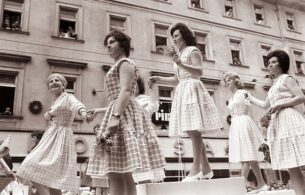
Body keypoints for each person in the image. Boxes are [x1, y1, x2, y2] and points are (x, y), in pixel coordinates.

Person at [86, 30, 166, 195]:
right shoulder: (120, 64)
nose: (108, 46)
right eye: (107, 43)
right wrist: (101, 111)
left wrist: (115, 118)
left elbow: (125, 91)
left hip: (122, 113)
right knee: (122, 170)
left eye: (112, 42)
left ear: (123, 45)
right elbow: (120, 96)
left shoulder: (124, 63)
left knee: (114, 170)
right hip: (120, 109)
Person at [149, 23, 223, 182]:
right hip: (183, 89)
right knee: (191, 131)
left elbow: (199, 71)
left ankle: (196, 169)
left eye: (176, 35)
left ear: (184, 35)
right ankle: (206, 168)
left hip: (192, 88)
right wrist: (159, 78)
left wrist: (181, 63)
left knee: (193, 129)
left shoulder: (192, 50)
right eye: (172, 37)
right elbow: (177, 78)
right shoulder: (179, 55)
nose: (174, 39)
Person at [16, 73, 89, 195]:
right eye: (51, 81)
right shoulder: (54, 102)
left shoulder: (67, 97)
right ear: (49, 88)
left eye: (57, 80)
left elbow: (77, 105)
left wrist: (84, 113)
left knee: (30, 165)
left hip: (62, 136)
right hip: (50, 136)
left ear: (64, 85)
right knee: (53, 180)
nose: (54, 82)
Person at [249, 50, 305, 195]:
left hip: (289, 119)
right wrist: (249, 97)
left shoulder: (287, 78)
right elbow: (264, 105)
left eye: (273, 62)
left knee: (301, 159)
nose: (270, 65)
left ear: (282, 63)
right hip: (278, 123)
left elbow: (300, 97)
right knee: (291, 164)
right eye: (268, 63)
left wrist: (282, 104)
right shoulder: (274, 85)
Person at [224, 71, 268, 193]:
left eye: (229, 79)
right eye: (225, 80)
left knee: (246, 155)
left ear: (235, 80)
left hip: (243, 122)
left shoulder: (243, 93)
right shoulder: (232, 97)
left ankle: (240, 185)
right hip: (236, 124)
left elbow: (259, 103)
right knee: (249, 156)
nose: (227, 82)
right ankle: (261, 183)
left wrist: (269, 101)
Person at [132, 76, 165, 183]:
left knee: (146, 171)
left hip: (144, 136)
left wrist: (151, 89)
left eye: (134, 84)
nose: (132, 86)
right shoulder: (124, 100)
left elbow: (154, 106)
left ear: (139, 86)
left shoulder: (143, 99)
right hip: (131, 137)